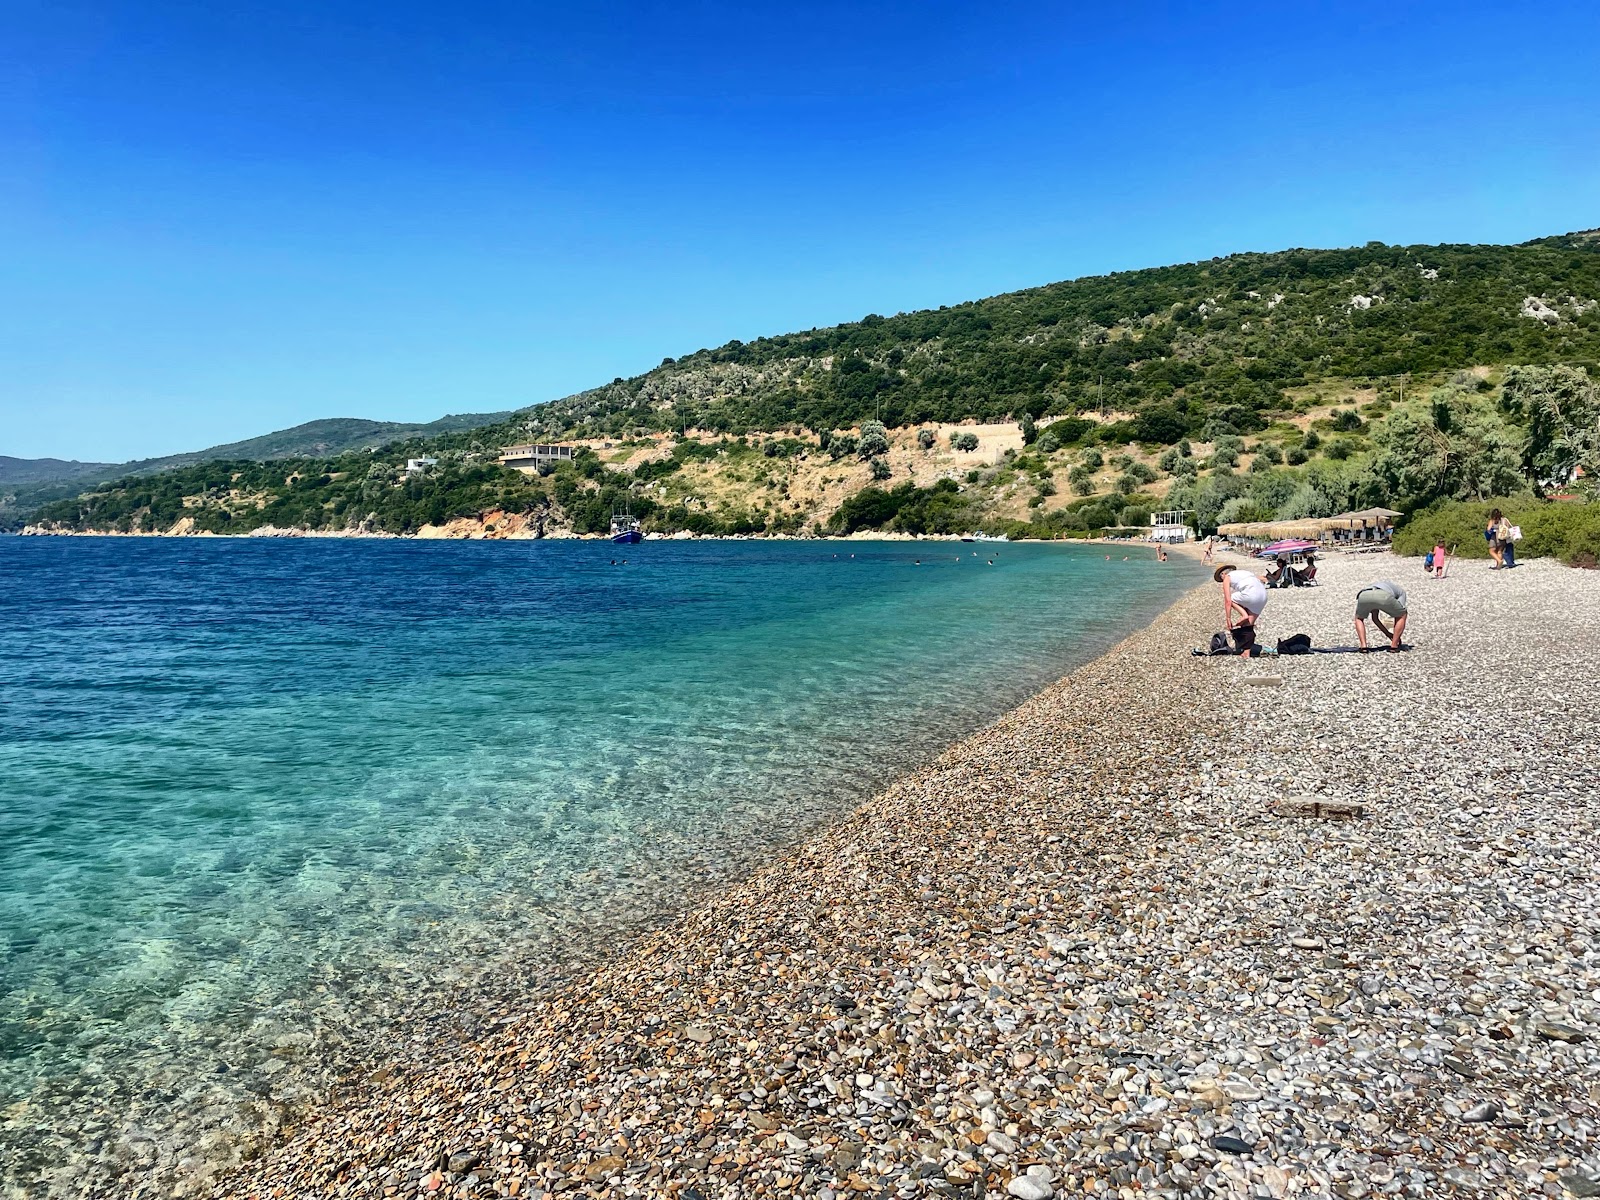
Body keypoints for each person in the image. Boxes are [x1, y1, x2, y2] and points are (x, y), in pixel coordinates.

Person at [1216, 564, 1267, 653]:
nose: (1222, 581)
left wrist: (1228, 618)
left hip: (1251, 593)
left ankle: (1244, 615)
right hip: (1263, 595)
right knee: (1247, 626)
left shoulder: (1227, 577)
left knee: (1231, 598)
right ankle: (1247, 650)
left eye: (1221, 578)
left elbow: (1228, 601)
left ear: (1223, 573)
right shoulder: (1244, 572)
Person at [1353, 579, 1408, 651]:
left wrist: (1387, 634)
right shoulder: (1401, 592)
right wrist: (1394, 636)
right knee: (1402, 615)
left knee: (1359, 618)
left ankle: (1363, 646)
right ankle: (1394, 646)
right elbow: (1400, 611)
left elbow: (1375, 619)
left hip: (1364, 594)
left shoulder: (1377, 584)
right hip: (1384, 595)